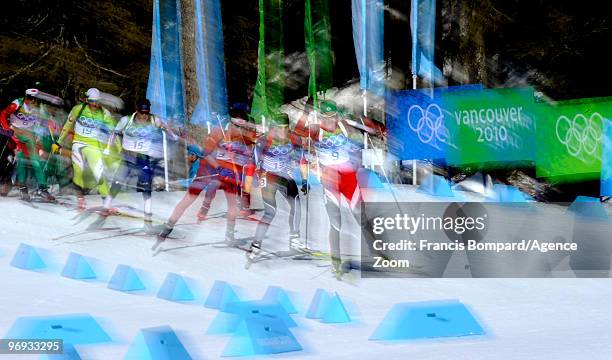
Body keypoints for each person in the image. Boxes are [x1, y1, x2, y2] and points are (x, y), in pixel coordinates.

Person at [294, 100, 384, 279]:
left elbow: (368, 126)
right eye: (325, 118)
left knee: (361, 216)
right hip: (330, 179)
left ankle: (379, 253)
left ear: (336, 116)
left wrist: (377, 130)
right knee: (336, 222)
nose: (329, 121)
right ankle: (336, 261)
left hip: (349, 176)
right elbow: (297, 133)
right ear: (320, 117)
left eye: (332, 117)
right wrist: (306, 111)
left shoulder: (344, 124)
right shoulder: (314, 130)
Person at [156, 112, 256, 249]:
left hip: (228, 175)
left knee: (232, 204)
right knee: (188, 199)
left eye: (243, 127)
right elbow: (205, 153)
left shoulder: (247, 142)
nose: (239, 130)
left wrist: (240, 175)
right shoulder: (219, 132)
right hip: (208, 170)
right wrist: (218, 167)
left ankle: (229, 236)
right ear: (231, 124)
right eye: (237, 126)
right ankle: (168, 227)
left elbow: (247, 162)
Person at [245, 112, 309, 263]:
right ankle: (256, 245)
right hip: (268, 176)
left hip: (285, 176)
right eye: (279, 128)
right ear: (273, 128)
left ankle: (294, 239)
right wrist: (247, 188)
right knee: (270, 212)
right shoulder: (264, 140)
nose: (283, 132)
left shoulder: (294, 139)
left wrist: (305, 180)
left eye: (286, 128)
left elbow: (302, 160)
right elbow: (252, 164)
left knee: (297, 205)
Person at [100, 99, 170, 232]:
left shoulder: (155, 120)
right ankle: (104, 212)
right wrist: (108, 148)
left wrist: (173, 135)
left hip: (144, 159)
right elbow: (114, 133)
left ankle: (147, 222)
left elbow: (166, 129)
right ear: (136, 110)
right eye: (141, 112)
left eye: (146, 112)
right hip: (127, 157)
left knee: (146, 190)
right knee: (116, 183)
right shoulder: (126, 120)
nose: (144, 115)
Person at [52, 88, 119, 210]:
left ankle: (107, 202)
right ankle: (80, 199)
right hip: (78, 143)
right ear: (87, 100)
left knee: (99, 173)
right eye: (92, 101)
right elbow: (68, 125)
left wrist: (108, 148)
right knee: (78, 172)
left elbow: (112, 133)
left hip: (94, 145)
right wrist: (58, 142)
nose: (95, 104)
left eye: (97, 101)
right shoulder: (78, 109)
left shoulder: (105, 113)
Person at [0, 88, 55, 201]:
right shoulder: (18, 103)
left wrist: (48, 123)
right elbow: (3, 114)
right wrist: (6, 128)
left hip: (29, 134)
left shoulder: (38, 107)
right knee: (20, 160)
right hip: (16, 133)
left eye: (35, 99)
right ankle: (22, 188)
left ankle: (42, 189)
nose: (32, 101)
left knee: (36, 162)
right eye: (30, 98)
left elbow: (39, 121)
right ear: (26, 97)